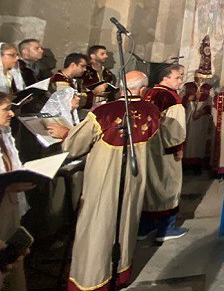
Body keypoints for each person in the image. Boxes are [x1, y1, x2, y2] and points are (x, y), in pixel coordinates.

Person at [60, 71, 162, 291]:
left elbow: (74, 147)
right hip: (135, 178)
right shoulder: (153, 111)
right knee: (126, 223)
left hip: (105, 180)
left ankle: (93, 280)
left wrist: (64, 133)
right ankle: (120, 273)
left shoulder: (103, 112)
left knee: (98, 226)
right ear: (143, 90)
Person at [140, 64, 188, 242]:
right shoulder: (170, 97)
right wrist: (178, 148)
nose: (180, 81)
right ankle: (166, 228)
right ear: (165, 78)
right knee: (169, 184)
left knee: (151, 185)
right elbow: (174, 127)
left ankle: (145, 226)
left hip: (148, 146)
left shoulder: (149, 93)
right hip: (165, 149)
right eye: (177, 77)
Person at [0, 91, 33, 291]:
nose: (12, 114)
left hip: (8, 207)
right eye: (6, 109)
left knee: (13, 260)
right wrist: (9, 185)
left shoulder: (3, 135)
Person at [181, 72, 212, 173]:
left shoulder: (208, 87)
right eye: (197, 74)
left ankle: (197, 165)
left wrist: (202, 112)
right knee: (188, 139)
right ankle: (186, 164)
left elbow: (211, 103)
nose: (199, 77)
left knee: (199, 140)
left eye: (201, 74)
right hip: (189, 115)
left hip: (201, 118)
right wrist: (189, 98)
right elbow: (180, 99)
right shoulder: (187, 86)